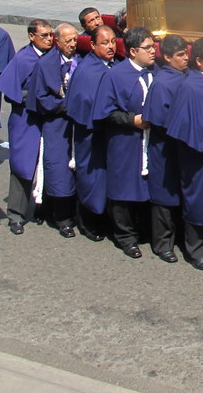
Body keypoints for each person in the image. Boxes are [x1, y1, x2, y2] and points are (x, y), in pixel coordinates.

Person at [96, 27, 157, 259]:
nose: (153, 51)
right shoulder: (116, 75)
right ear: (132, 51)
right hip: (125, 140)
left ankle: (143, 230)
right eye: (147, 48)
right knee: (123, 187)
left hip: (149, 140)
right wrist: (132, 120)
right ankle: (125, 236)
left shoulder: (155, 72)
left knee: (145, 186)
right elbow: (105, 111)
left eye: (153, 46)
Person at [166, 37, 203, 271]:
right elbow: (186, 124)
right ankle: (196, 251)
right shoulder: (191, 87)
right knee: (198, 200)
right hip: (196, 154)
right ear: (199, 61)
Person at [0, 20, 55, 234]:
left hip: (50, 118)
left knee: (50, 163)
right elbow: (11, 93)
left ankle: (44, 208)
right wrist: (38, 97)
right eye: (44, 36)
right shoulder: (22, 59)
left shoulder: (54, 56)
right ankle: (16, 214)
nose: (49, 39)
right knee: (23, 165)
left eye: (51, 35)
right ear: (31, 37)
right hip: (26, 119)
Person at [24, 23, 80, 238]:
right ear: (57, 41)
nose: (73, 44)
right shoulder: (46, 64)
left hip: (78, 123)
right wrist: (65, 105)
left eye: (75, 40)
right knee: (58, 169)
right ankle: (61, 217)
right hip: (57, 123)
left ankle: (74, 211)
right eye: (68, 41)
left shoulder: (81, 60)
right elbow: (40, 97)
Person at [65, 24, 118, 242]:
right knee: (91, 176)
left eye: (113, 41)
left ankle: (105, 215)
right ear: (93, 45)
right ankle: (88, 219)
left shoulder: (113, 64)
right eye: (104, 43)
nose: (110, 46)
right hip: (91, 132)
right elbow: (84, 101)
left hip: (108, 133)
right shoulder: (88, 70)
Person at [140, 33, 188, 263]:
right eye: (180, 55)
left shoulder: (185, 75)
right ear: (167, 58)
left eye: (186, 53)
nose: (185, 58)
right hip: (165, 147)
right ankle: (163, 244)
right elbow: (159, 119)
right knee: (164, 198)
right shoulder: (162, 83)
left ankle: (178, 237)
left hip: (181, 147)